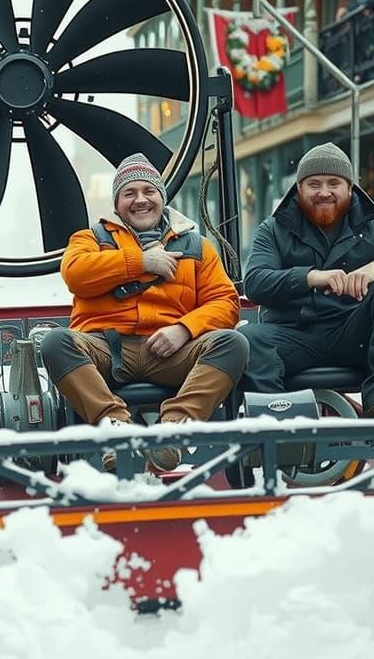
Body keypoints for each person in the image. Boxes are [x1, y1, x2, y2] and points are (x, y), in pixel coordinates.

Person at [40, 153, 249, 473]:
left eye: (149, 191)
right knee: (56, 343)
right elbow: (75, 274)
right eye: (129, 193)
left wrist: (184, 329)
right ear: (116, 203)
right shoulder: (90, 238)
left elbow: (225, 302)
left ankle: (174, 430)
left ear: (162, 198)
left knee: (232, 343)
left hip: (171, 351)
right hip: (105, 349)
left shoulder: (198, 246)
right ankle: (114, 427)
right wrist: (140, 262)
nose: (140, 200)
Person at [241, 143, 374, 419]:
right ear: (298, 189)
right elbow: (256, 282)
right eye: (314, 184)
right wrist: (311, 277)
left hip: (352, 336)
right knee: (247, 338)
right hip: (293, 336)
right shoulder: (273, 229)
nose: (324, 192)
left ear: (350, 188)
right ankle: (275, 418)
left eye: (334, 183)